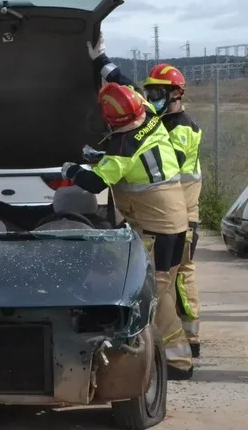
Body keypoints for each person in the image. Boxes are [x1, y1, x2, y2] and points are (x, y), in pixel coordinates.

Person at [61, 82, 194, 380]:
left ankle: (178, 361)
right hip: (175, 222)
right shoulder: (148, 117)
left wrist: (72, 170)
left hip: (157, 227)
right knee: (168, 285)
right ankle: (173, 347)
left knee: (157, 293)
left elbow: (95, 183)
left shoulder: (124, 145)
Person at [143, 63, 204, 357]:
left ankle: (190, 337)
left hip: (183, 214)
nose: (152, 97)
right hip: (174, 211)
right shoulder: (164, 123)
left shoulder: (182, 127)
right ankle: (186, 334)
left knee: (180, 275)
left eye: (157, 92)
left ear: (176, 93)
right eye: (150, 92)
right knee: (176, 276)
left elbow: (169, 165)